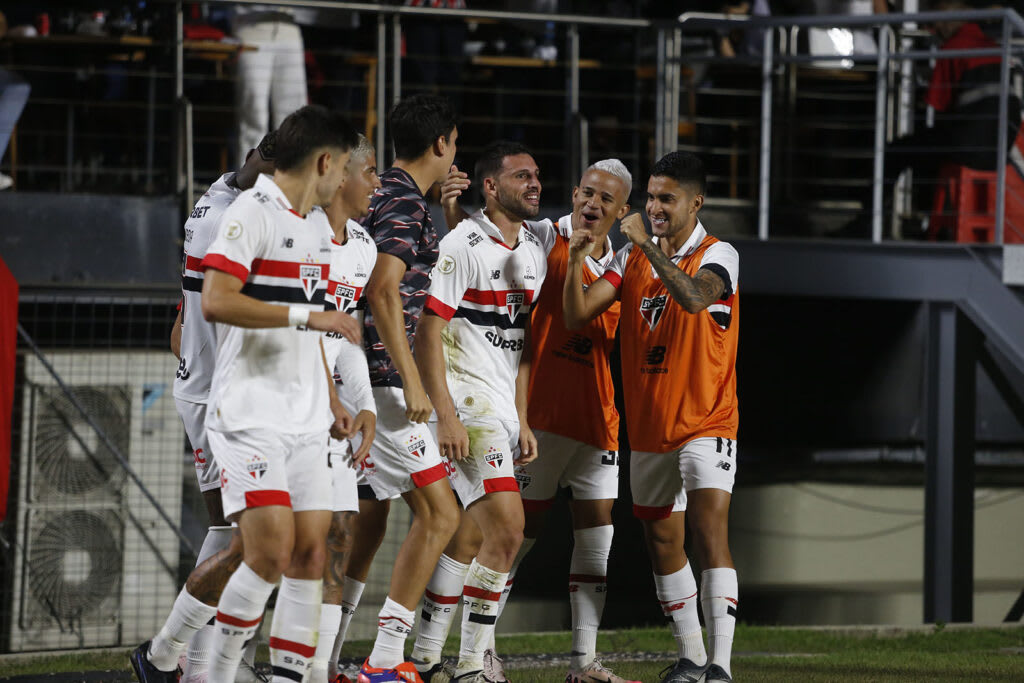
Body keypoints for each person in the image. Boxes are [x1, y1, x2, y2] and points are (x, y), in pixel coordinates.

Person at [416, 158, 637, 683]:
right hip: (526, 409)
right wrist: (453, 209)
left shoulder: (627, 260)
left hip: (585, 418)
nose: (591, 204)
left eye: (606, 200)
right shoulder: (545, 233)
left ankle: (581, 664)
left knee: (592, 541)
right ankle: (466, 655)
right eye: (586, 191)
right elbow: (483, 250)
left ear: (621, 210)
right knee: (497, 531)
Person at [562, 152, 739, 683]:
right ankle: (690, 657)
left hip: (707, 419)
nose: (655, 208)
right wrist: (574, 262)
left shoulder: (719, 253)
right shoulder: (629, 259)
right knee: (662, 540)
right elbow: (578, 313)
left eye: (667, 199)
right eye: (651, 198)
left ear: (695, 203)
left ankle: (721, 668)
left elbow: (691, 300)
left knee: (709, 533)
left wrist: (642, 242)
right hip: (650, 424)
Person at [202, 104, 359, 683]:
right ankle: (211, 675)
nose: (344, 179)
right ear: (322, 162)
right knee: (267, 554)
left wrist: (334, 402)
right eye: (342, 167)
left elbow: (311, 326)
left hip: (307, 417)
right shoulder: (252, 211)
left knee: (311, 556)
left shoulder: (314, 225)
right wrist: (308, 318)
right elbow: (217, 300)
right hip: (251, 413)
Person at [131, 132, 277, 683]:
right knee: (252, 538)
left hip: (211, 389)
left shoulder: (216, 198)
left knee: (236, 534)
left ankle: (196, 661)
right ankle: (190, 659)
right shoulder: (233, 217)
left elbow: (183, 319)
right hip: (221, 400)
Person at [414, 140, 547, 682]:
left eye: (537, 174)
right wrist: (444, 415)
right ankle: (473, 664)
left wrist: (524, 417)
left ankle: (423, 658)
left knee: (471, 535)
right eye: (521, 176)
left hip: (501, 411)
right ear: (490, 188)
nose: (534, 183)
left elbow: (520, 348)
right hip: (466, 406)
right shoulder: (461, 243)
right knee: (509, 529)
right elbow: (428, 330)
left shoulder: (533, 250)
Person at [356, 93, 462, 683]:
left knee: (363, 521)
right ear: (442, 142)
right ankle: (384, 660)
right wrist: (412, 379)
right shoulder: (400, 199)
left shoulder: (390, 194)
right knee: (441, 514)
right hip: (387, 386)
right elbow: (384, 287)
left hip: (362, 380)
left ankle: (325, 657)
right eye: (456, 142)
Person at [312, 134, 382, 683]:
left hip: (332, 411)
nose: (376, 184)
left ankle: (317, 668)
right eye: (371, 173)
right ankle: (196, 659)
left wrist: (365, 406)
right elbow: (295, 328)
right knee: (265, 545)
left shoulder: (362, 244)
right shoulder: (297, 234)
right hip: (282, 408)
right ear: (340, 175)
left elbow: (344, 337)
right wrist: (330, 397)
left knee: (340, 530)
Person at [232, 5, 309, 165]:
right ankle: (247, 183)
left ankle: (292, 181)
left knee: (294, 118)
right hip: (250, 30)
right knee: (254, 115)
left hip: (289, 32)